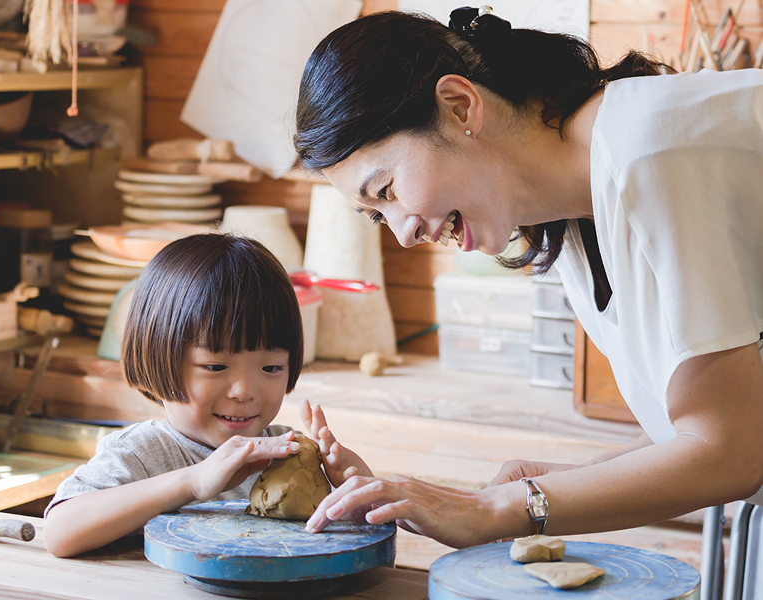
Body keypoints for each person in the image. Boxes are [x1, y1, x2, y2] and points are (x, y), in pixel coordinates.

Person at [295, 6, 763, 550]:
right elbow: (704, 423)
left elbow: (733, 452)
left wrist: (502, 509)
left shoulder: (650, 150)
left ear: (458, 105)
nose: (402, 234)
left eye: (387, 190)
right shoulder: (567, 219)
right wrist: (548, 482)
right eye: (378, 215)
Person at [43, 233, 371, 557]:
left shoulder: (285, 455)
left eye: (271, 367)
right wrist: (192, 482)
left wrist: (347, 482)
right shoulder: (141, 454)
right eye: (215, 366)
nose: (244, 391)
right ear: (157, 355)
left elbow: (366, 529)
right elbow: (60, 532)